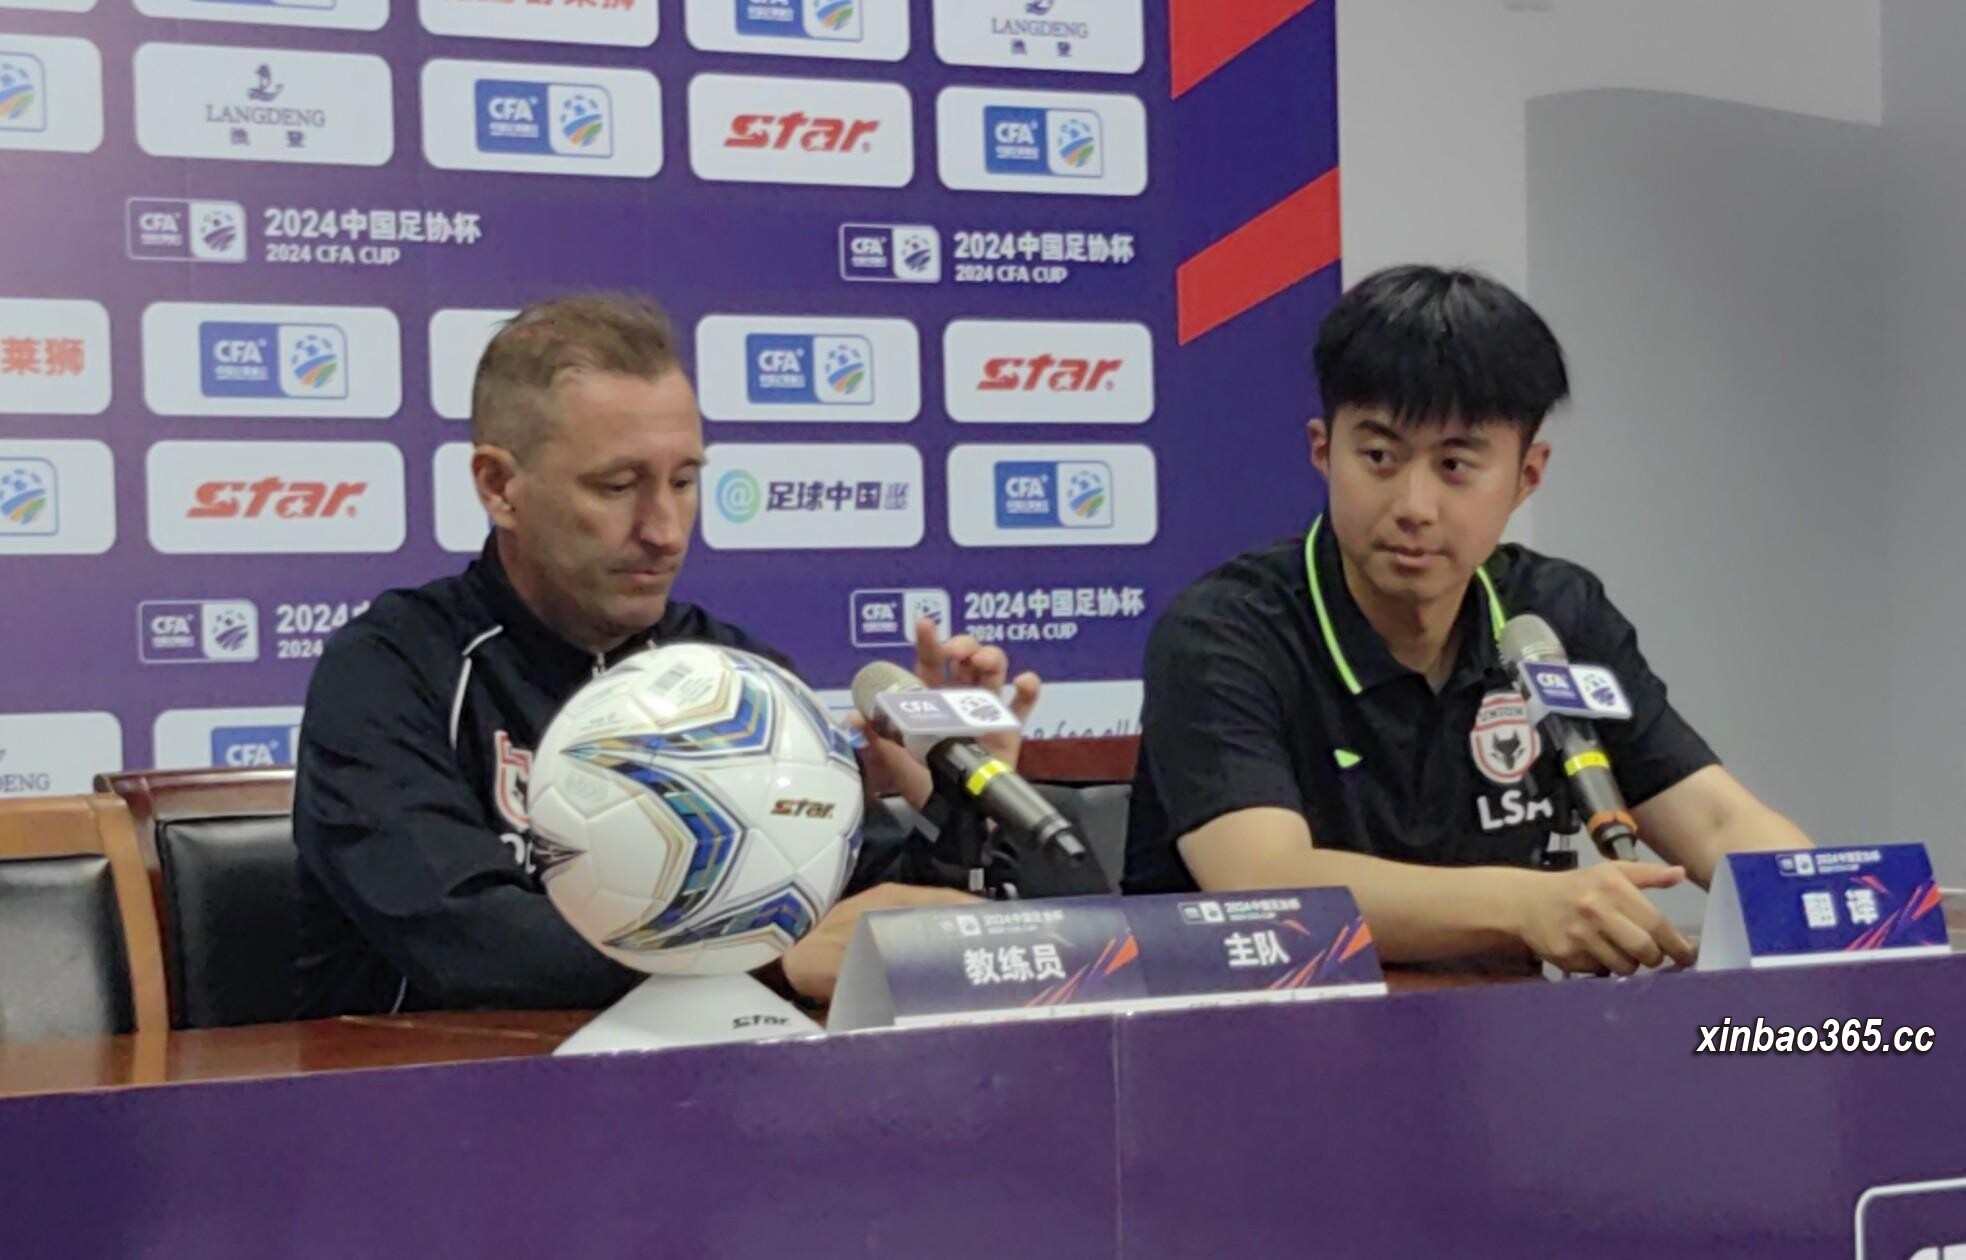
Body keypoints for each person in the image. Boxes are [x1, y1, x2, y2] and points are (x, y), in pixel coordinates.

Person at [294, 293, 1039, 1018]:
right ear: (500, 487)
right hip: (454, 1084)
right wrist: (766, 962)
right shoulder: (392, 670)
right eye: (617, 485)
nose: (665, 530)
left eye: (684, 482)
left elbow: (861, 920)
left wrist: (955, 815)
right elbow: (463, 937)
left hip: (725, 1083)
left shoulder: (737, 675)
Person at [1123, 265, 1813, 976]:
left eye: (1455, 466)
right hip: (1256, 1034)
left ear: (1526, 476)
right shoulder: (1223, 633)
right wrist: (1526, 905)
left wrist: (1827, 916)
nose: (1414, 506)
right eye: (1379, 457)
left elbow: (1718, 822)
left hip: (1502, 1032)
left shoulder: (1553, 614)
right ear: (1323, 452)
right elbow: (1266, 882)